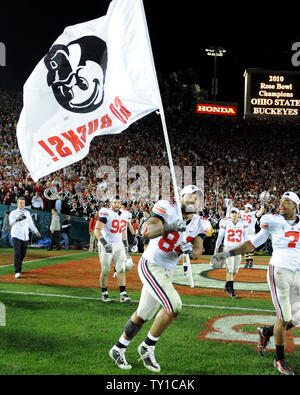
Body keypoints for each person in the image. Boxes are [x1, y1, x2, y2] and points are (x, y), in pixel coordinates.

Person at [109, 185, 211, 372]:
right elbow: (146, 231)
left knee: (143, 315)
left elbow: (198, 251)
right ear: (181, 197)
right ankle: (147, 346)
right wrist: (171, 226)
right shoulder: (168, 208)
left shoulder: (200, 223)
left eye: (197, 198)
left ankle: (118, 348)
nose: (193, 200)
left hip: (167, 270)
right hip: (151, 264)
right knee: (174, 305)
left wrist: (189, 250)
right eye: (190, 196)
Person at [210, 191, 300, 376]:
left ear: (295, 206)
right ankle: (279, 359)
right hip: (279, 271)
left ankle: (266, 332)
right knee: (283, 316)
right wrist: (226, 254)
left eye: (287, 202)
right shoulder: (272, 221)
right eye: (281, 201)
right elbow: (252, 243)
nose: (281, 204)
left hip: (297, 273)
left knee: (296, 318)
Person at [94, 195, 131, 303]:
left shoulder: (125, 214)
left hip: (119, 244)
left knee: (121, 269)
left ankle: (123, 294)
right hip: (107, 244)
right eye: (115, 202)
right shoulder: (106, 213)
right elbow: (97, 230)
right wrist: (105, 244)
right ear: (111, 203)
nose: (117, 204)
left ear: (121, 204)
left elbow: (123, 232)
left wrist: (126, 247)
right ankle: (104, 293)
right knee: (105, 270)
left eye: (119, 202)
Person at [213, 207, 249, 298]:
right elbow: (220, 236)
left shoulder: (243, 223)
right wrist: (216, 248)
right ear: (230, 214)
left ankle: (227, 285)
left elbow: (246, 237)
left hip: (238, 249)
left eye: (235, 213)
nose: (233, 214)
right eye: (232, 213)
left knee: (235, 270)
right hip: (228, 248)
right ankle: (232, 292)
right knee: (230, 269)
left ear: (238, 214)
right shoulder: (225, 222)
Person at [9, 197, 41, 278]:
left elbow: (30, 224)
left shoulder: (27, 213)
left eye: (23, 203)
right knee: (17, 253)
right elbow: (10, 223)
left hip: (25, 236)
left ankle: (18, 264)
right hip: (16, 235)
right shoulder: (13, 213)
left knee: (23, 254)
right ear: (17, 203)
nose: (22, 204)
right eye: (20, 203)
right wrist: (17, 219)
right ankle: (17, 271)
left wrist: (36, 231)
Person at [240, 202, 265, 268]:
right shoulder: (242, 213)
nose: (244, 208)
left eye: (246, 207)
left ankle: (250, 261)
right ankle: (247, 261)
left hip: (251, 232)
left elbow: (260, 213)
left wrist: (262, 205)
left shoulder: (253, 213)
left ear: (249, 208)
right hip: (244, 233)